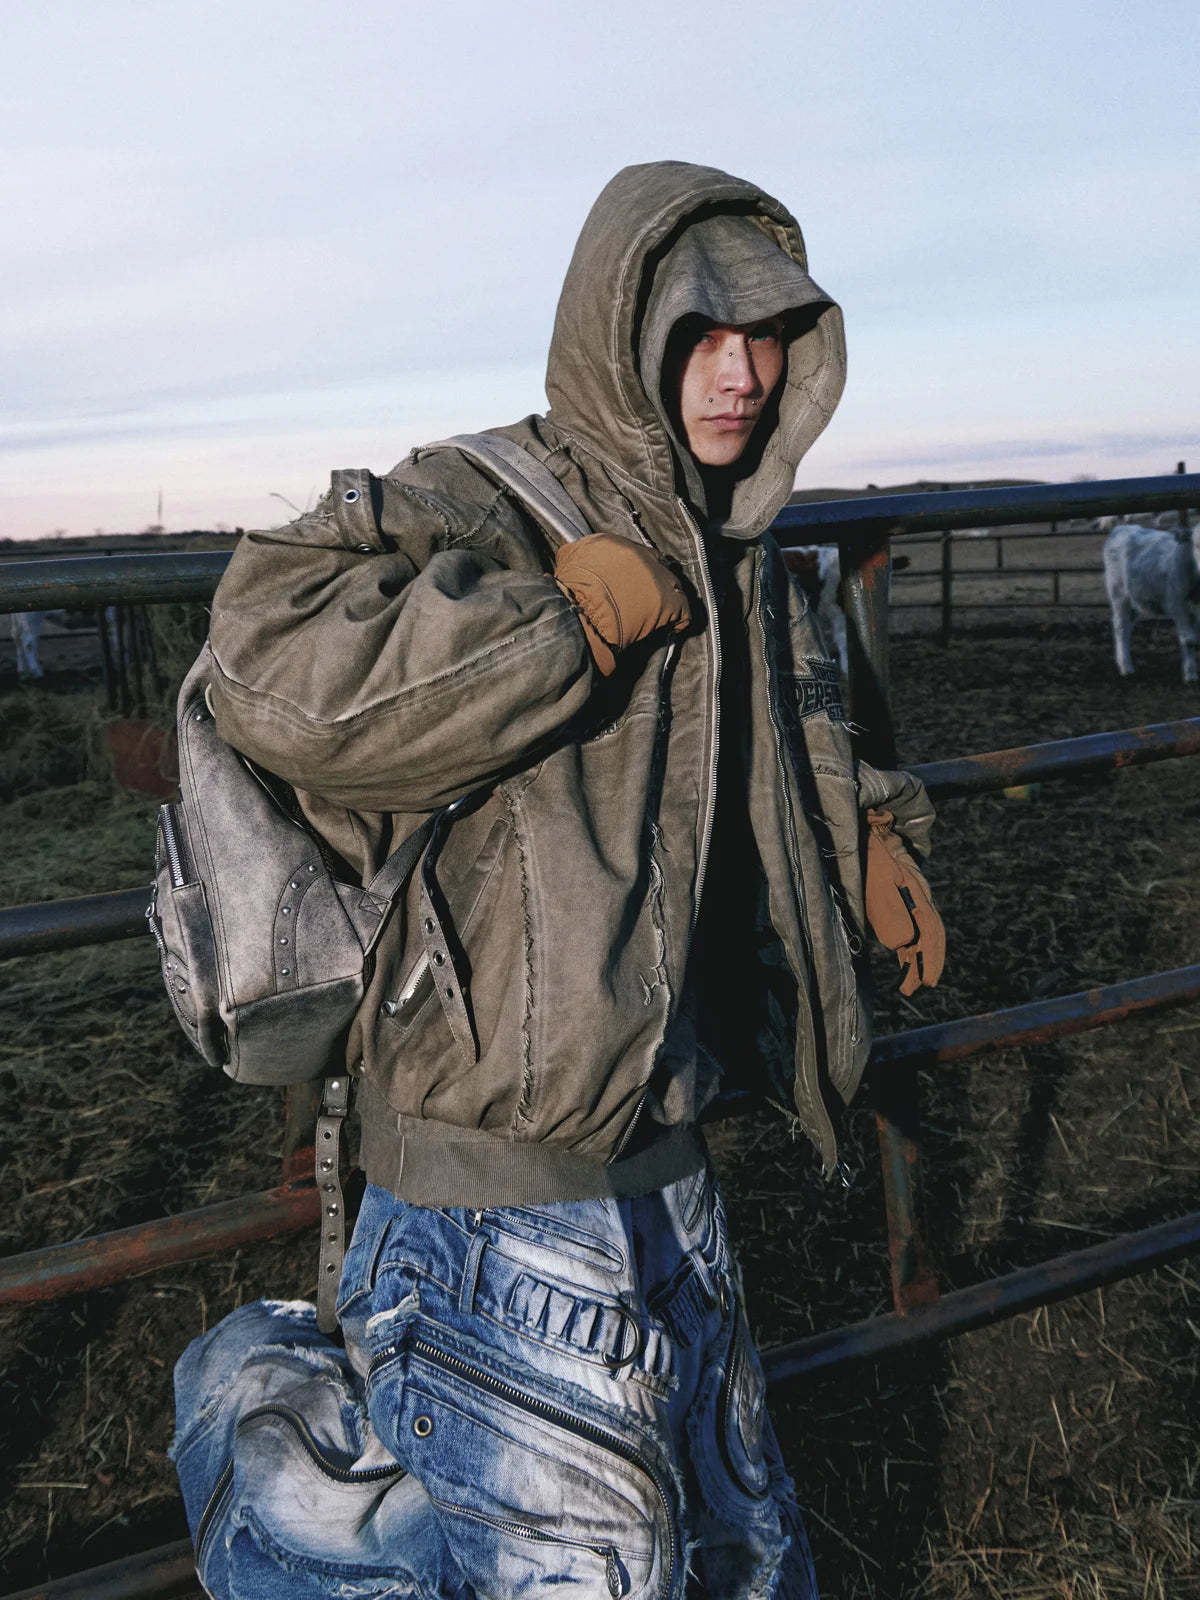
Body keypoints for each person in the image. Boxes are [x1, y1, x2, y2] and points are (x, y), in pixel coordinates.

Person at [170, 160, 942, 1600]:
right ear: (621, 330)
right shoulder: (484, 500)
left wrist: (865, 831)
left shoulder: (734, 547)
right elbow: (265, 652)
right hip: (490, 1202)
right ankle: (269, 1467)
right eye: (703, 335)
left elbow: (777, 729)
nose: (743, 374)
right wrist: (558, 626)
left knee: (739, 1555)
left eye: (770, 336)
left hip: (668, 1163)